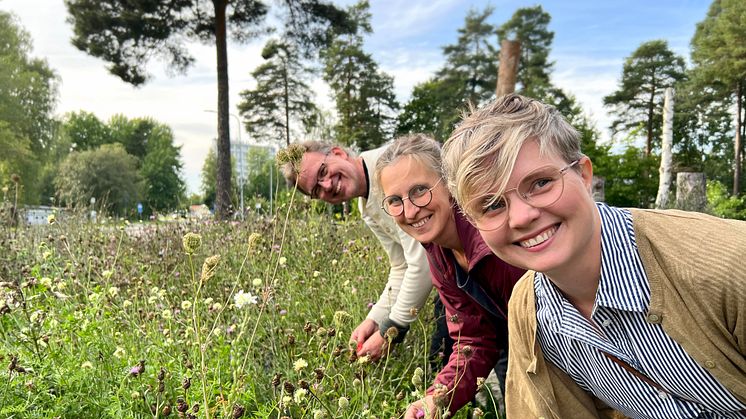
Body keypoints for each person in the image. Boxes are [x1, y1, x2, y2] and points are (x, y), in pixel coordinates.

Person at [441, 93, 746, 418]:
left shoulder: (726, 263)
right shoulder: (530, 311)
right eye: (492, 206)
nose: (521, 217)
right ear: (474, 223)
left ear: (584, 175)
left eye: (541, 183)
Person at [375, 134, 525, 418]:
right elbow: (474, 338)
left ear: (449, 184)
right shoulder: (438, 251)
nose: (409, 211)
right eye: (394, 200)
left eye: (420, 190)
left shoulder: (495, 237)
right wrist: (436, 398)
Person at [279, 141, 446, 362]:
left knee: (463, 358)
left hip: (482, 258)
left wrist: (391, 329)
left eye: (323, 171)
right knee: (443, 361)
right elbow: (402, 265)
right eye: (317, 189)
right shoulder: (365, 206)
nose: (327, 185)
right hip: (453, 276)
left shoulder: (391, 167)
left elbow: (423, 260)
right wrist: (375, 319)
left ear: (338, 153)